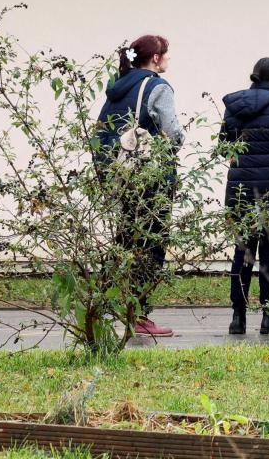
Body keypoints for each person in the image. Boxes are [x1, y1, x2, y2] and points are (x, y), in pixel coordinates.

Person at [94, 33, 185, 339]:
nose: (169, 58)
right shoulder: (156, 86)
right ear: (155, 58)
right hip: (151, 179)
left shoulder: (117, 88)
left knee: (124, 242)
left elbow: (101, 130)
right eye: (166, 53)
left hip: (123, 177)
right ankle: (140, 315)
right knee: (151, 246)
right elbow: (173, 133)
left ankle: (99, 304)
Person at [220, 57, 269, 336]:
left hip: (239, 191)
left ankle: (238, 316)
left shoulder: (234, 106)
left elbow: (224, 148)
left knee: (243, 253)